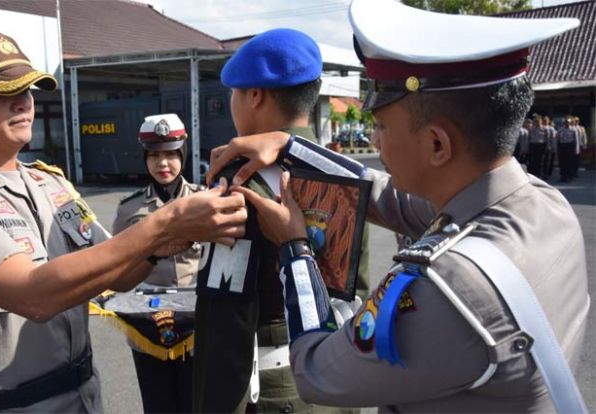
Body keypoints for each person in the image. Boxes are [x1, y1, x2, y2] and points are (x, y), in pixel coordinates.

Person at [208, 1, 589, 411]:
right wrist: (291, 146)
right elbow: (382, 196)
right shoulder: (542, 205)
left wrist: (295, 249)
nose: (376, 143)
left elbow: (316, 371)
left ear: (437, 145)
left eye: (383, 128)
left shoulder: (449, 287)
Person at [0, 32, 246, 413]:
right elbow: (33, 295)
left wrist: (159, 247)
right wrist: (165, 222)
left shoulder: (51, 183)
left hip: (85, 395)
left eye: (28, 90)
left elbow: (117, 276)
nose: (23, 103)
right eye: (1, 92)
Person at [193, 28, 368, 414]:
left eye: (235, 92)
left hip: (270, 392)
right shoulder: (343, 175)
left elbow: (225, 324)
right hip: (335, 384)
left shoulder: (240, 181)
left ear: (255, 96)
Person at [112, 113, 202, 413]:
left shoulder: (204, 201)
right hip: (148, 327)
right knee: (158, 405)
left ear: (183, 155)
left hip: (197, 327)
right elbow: (118, 266)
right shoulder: (130, 210)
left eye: (170, 155)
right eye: (154, 156)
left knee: (198, 404)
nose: (162, 164)